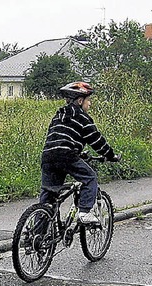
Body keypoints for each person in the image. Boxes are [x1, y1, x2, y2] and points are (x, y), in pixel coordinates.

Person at [40, 81, 120, 224]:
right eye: (88, 100)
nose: (90, 104)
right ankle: (84, 212)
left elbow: (60, 139)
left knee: (49, 195)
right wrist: (111, 155)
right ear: (80, 100)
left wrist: (78, 153)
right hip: (66, 156)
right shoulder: (83, 118)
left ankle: (38, 234)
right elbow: (97, 141)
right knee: (90, 178)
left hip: (48, 156)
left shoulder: (58, 116)